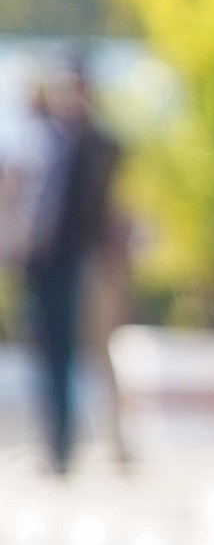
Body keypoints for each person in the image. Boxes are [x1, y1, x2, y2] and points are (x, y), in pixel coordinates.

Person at [16, 58, 121, 476]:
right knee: (46, 355)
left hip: (80, 262)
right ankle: (54, 446)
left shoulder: (99, 145)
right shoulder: (43, 139)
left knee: (88, 353)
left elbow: (107, 209)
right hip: (39, 261)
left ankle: (91, 445)